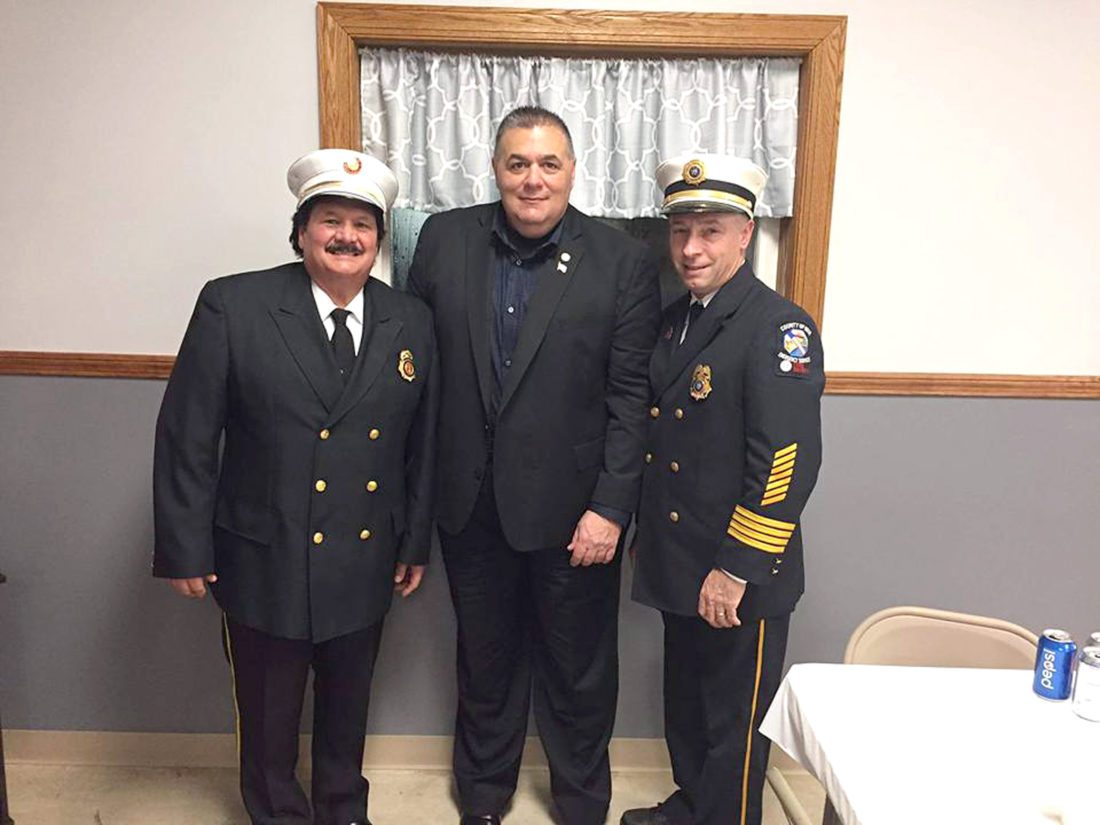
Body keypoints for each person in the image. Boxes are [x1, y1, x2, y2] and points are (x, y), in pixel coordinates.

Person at [153, 148, 438, 825]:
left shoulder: (411, 319)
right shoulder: (234, 304)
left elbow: (421, 445)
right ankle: (278, 813)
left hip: (364, 553)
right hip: (264, 552)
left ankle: (343, 807)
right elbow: (189, 434)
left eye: (362, 225)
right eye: (330, 220)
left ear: (379, 238)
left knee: (348, 704)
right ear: (302, 231)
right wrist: (185, 546)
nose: (347, 237)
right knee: (269, 712)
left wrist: (414, 540)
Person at [408, 106, 661, 825]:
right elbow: (417, 371)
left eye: (549, 163)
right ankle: (483, 798)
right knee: (484, 662)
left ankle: (580, 803)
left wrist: (611, 507)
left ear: (572, 172)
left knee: (578, 673)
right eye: (517, 163)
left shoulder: (621, 260)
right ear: (495, 168)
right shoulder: (444, 240)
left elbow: (630, 396)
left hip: (575, 515)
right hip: (469, 505)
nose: (532, 179)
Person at [622, 154, 824, 825]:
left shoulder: (778, 328)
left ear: (745, 234)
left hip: (739, 570)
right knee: (686, 706)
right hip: (681, 558)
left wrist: (736, 568)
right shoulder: (677, 319)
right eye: (681, 231)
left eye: (710, 231)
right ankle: (692, 807)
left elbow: (786, 462)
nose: (691, 248)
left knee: (732, 724)